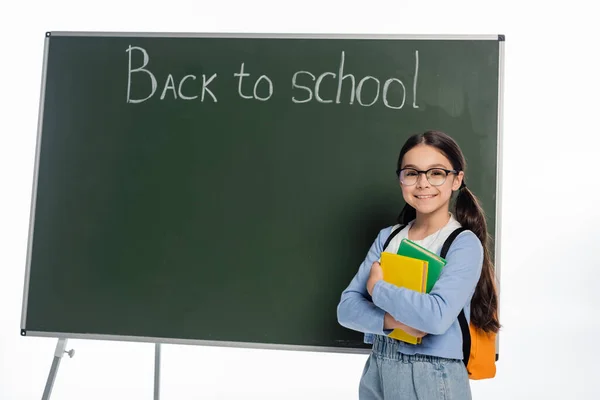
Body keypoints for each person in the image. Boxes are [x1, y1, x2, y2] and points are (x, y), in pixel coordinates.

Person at [337, 130, 500, 399]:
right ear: (401, 179)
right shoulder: (388, 237)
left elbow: (435, 318)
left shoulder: (463, 243)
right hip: (379, 367)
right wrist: (390, 320)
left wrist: (378, 289)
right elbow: (347, 308)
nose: (422, 183)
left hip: (433, 375)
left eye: (436, 173)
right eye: (412, 173)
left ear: (456, 180)